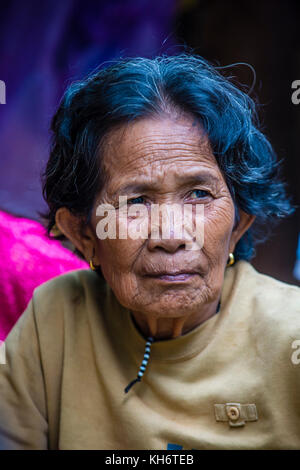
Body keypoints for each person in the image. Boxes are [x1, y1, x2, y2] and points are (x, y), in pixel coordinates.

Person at [0, 54, 299, 450]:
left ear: (238, 224)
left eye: (198, 194)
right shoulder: (54, 317)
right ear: (85, 233)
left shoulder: (289, 335)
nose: (171, 236)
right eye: (136, 200)